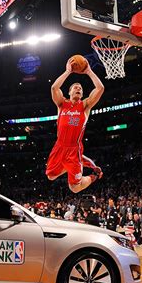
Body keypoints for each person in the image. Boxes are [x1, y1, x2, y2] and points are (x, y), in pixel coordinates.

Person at [46, 57, 104, 193]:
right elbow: (54, 87)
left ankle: (94, 175)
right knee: (50, 176)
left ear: (82, 94)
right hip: (59, 146)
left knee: (75, 188)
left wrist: (89, 71)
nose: (78, 88)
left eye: (80, 88)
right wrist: (67, 72)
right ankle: (79, 161)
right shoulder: (61, 104)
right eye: (75, 87)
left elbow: (100, 88)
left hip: (74, 149)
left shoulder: (84, 106)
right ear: (69, 92)